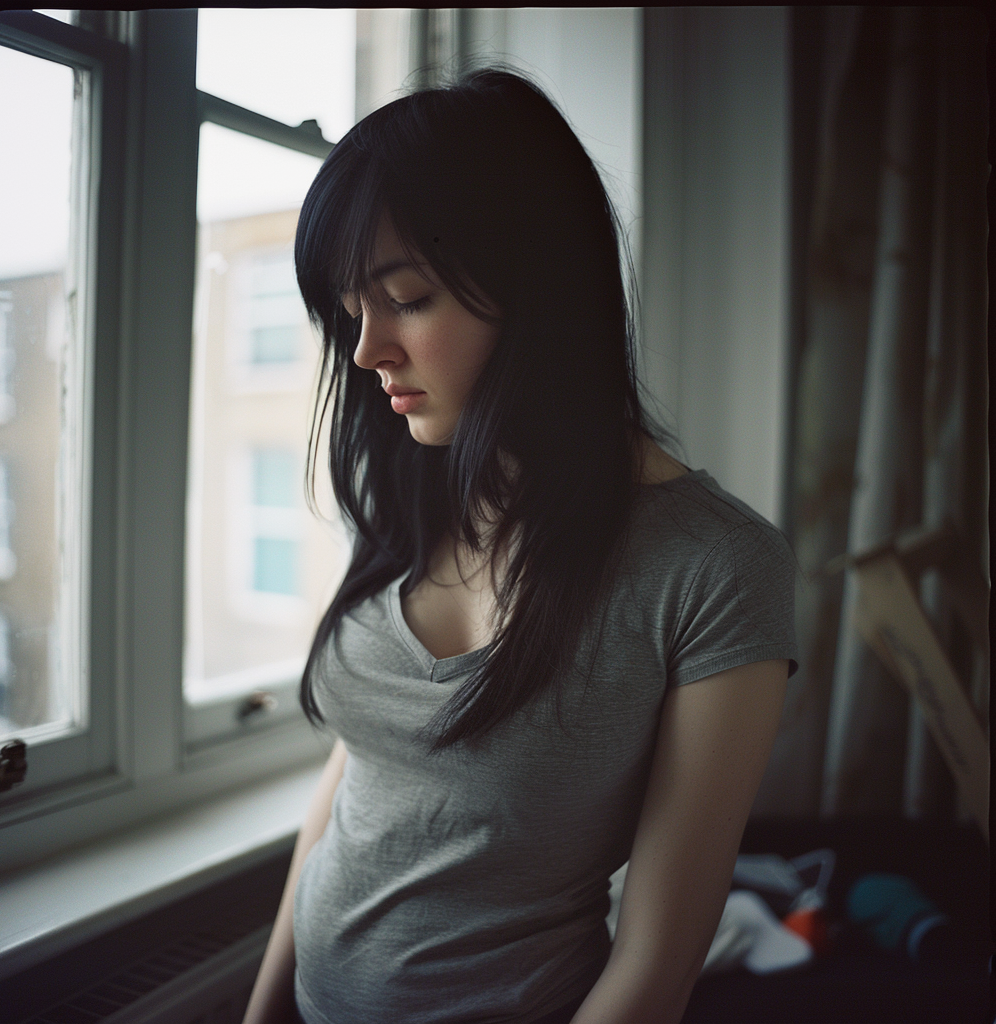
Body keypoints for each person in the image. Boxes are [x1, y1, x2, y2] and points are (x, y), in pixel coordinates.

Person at [243, 68, 797, 1024]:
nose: (367, 347)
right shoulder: (417, 491)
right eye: (350, 309)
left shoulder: (713, 569)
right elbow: (360, 781)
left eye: (405, 297)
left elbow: (658, 964)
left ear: (537, 290)